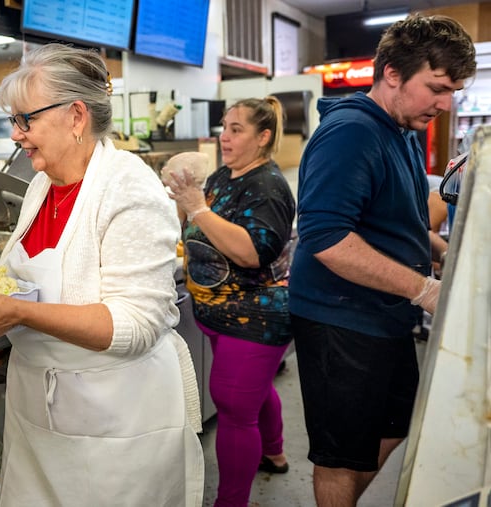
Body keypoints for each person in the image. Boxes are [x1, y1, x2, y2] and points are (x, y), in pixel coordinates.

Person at [0, 43, 205, 506]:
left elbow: (135, 325)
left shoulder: (128, 187)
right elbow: (24, 282)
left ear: (76, 116)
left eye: (25, 119)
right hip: (38, 416)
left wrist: (16, 311)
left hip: (115, 424)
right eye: (14, 120)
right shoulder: (41, 186)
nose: (17, 135)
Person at [288, 14, 476, 507]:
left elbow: (401, 223)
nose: (444, 102)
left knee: (395, 422)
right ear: (392, 72)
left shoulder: (401, 132)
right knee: (340, 454)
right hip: (340, 319)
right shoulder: (351, 133)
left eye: (452, 90)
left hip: (386, 314)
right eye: (436, 87)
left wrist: (454, 255)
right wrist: (426, 290)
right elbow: (326, 238)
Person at [163, 97, 296, 507]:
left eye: (237, 129)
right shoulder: (225, 175)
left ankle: (231, 501)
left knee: (235, 407)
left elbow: (253, 253)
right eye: (225, 126)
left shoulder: (268, 187)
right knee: (256, 389)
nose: (226, 136)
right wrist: (185, 205)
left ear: (264, 137)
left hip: (255, 317)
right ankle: (274, 451)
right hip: (220, 314)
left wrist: (197, 209)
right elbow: (199, 221)